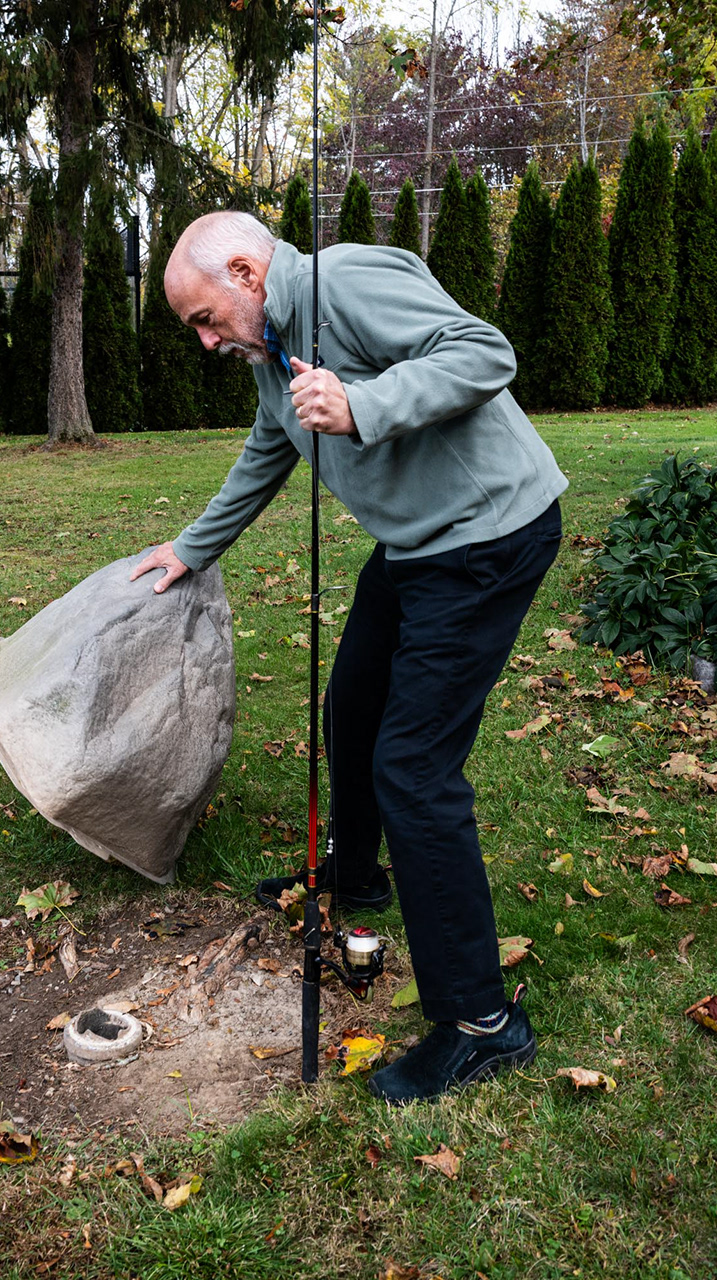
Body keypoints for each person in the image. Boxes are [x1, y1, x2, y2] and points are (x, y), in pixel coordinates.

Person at [130, 210, 566, 1104]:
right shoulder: (275, 339)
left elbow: (485, 352)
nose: (208, 341)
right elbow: (272, 445)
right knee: (354, 710)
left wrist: (366, 403)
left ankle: (483, 1022)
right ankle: (358, 875)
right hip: (417, 545)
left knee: (414, 767)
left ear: (247, 273)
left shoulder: (346, 282)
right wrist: (192, 548)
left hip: (485, 537)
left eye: (205, 319)